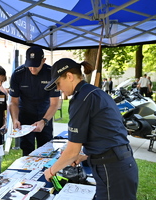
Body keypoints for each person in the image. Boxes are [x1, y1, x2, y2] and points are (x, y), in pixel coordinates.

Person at [43, 58, 138, 200]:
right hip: (117, 164)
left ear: (69, 76)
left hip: (112, 169)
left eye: (58, 83)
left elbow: (72, 151)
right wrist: (85, 155)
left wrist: (51, 171)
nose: (58, 88)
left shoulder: (82, 99)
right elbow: (105, 133)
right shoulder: (93, 92)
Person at [9, 46, 60, 156]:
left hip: (45, 115)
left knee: (46, 150)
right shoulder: (18, 74)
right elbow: (13, 102)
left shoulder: (51, 73)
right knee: (27, 150)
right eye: (29, 65)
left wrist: (44, 121)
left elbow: (55, 103)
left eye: (36, 65)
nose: (32, 68)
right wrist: (15, 119)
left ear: (43, 61)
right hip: (25, 117)